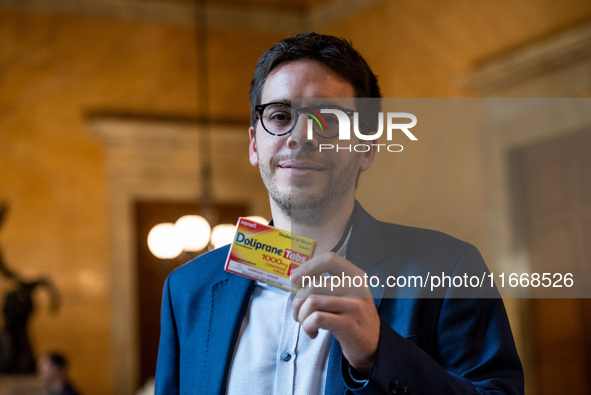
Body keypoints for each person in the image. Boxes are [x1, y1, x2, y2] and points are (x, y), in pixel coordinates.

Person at [155, 32, 524, 394]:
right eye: (281, 116)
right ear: (254, 144)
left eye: (328, 119)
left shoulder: (449, 270)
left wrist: (379, 350)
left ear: (367, 148)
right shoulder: (187, 290)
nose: (301, 136)